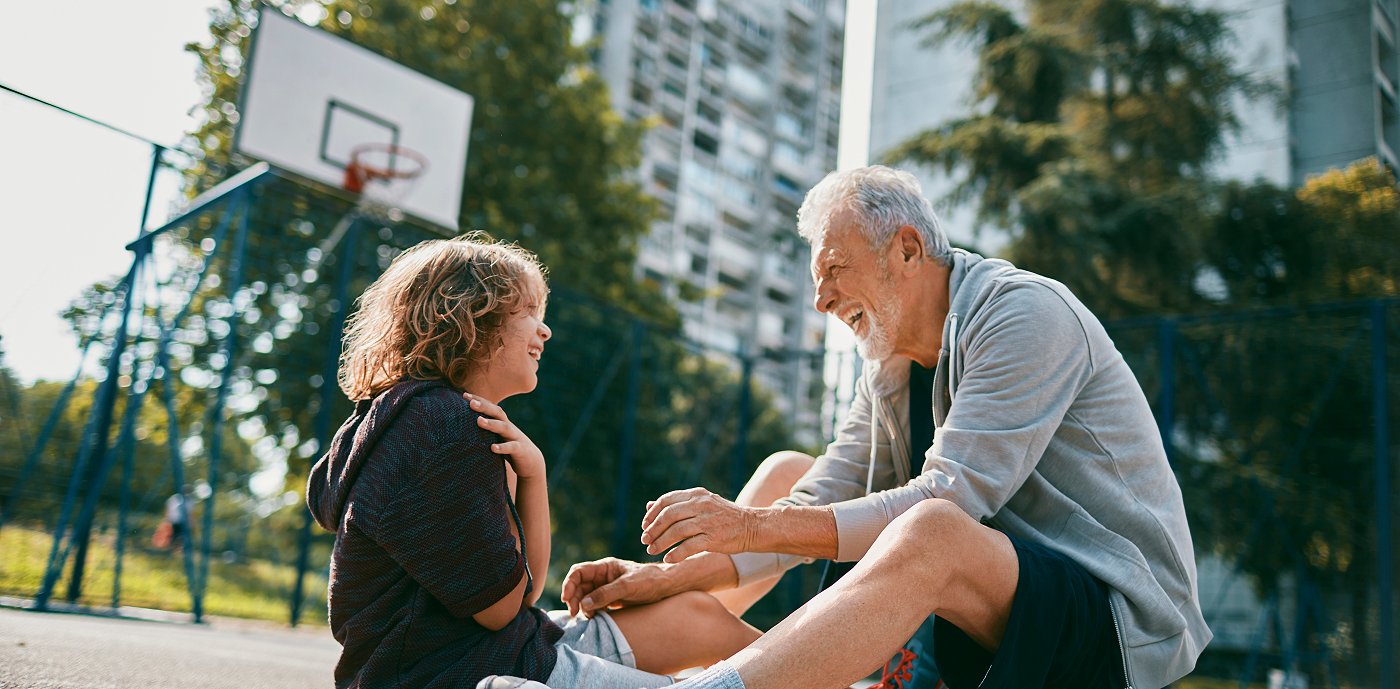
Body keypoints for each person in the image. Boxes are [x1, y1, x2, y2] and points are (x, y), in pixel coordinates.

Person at [485, 166, 1211, 689]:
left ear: (905, 248)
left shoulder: (1021, 315)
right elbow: (808, 500)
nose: (822, 298)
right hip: (1006, 603)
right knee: (786, 473)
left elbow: (954, 499)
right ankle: (605, 647)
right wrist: (662, 575)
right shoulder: (891, 363)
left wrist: (745, 527)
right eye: (814, 279)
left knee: (932, 525)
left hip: (1119, 622)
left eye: (834, 269)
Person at [306, 234, 762, 689]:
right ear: (469, 317)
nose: (544, 330)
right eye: (527, 312)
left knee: (696, 615)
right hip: (456, 673)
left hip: (502, 649)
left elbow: (522, 594)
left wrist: (533, 475)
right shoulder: (439, 427)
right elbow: (500, 610)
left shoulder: (420, 420)